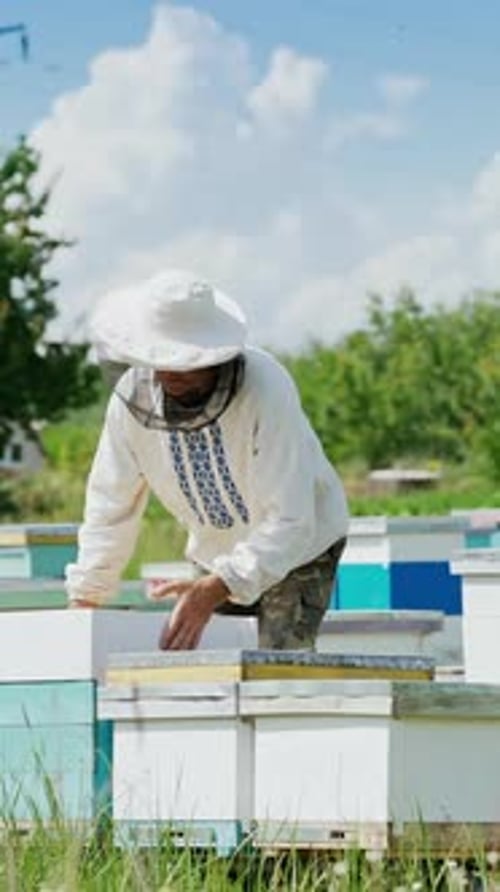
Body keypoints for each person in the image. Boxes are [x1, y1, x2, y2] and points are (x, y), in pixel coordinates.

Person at [66, 268, 349, 650]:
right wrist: (87, 596)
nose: (172, 374)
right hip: (216, 553)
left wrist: (218, 586)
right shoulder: (131, 401)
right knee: (209, 671)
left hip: (300, 547)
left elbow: (291, 520)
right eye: (161, 360)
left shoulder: (266, 389)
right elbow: (110, 504)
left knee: (279, 668)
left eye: (186, 362)